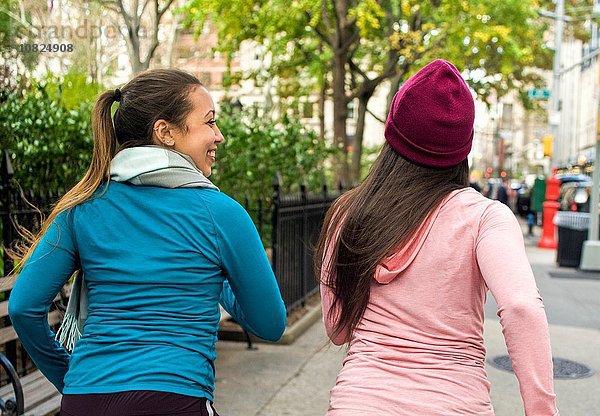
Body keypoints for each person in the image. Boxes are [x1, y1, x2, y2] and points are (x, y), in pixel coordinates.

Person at [8, 69, 287, 416]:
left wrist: (71, 380)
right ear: (165, 132)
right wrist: (213, 281)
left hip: (86, 398)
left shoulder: (81, 207)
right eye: (210, 122)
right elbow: (271, 323)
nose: (220, 136)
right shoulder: (221, 213)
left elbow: (22, 307)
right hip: (174, 397)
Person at [314, 60, 558, 415]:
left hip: (360, 401)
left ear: (393, 133)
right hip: (455, 402)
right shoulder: (485, 218)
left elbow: (338, 330)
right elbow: (521, 307)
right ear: (463, 148)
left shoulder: (346, 214)